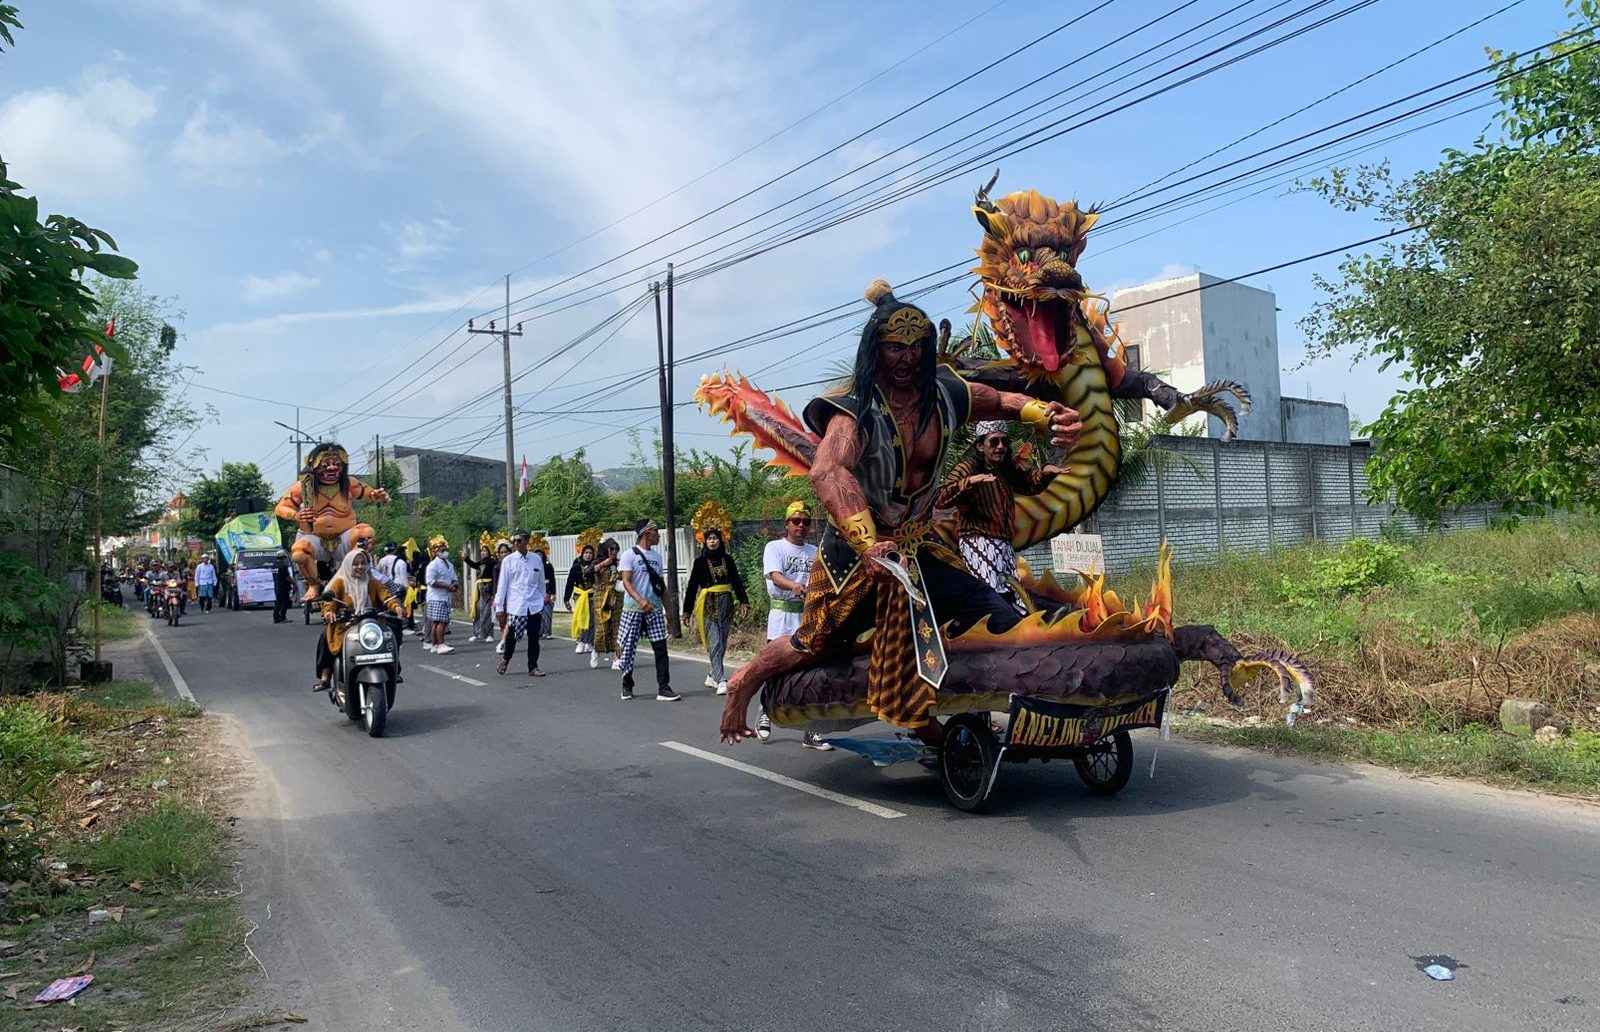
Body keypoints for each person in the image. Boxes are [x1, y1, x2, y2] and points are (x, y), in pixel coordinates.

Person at [720, 279, 1080, 747]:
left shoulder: (944, 395)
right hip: (857, 554)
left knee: (994, 614)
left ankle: (972, 716)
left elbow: (995, 400)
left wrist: (1042, 414)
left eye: (916, 347)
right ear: (876, 351)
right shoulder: (854, 411)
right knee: (813, 642)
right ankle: (743, 682)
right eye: (894, 348)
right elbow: (829, 472)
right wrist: (869, 544)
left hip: (920, 544)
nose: (907, 358)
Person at [937, 421, 1068, 608]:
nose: (1001, 447)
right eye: (994, 442)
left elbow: (1029, 484)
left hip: (1003, 544)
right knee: (991, 597)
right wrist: (969, 482)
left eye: (1004, 442)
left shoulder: (1005, 469)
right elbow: (941, 497)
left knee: (1014, 597)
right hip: (978, 542)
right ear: (980, 446)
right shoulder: (968, 467)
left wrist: (1046, 473)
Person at [273, 442, 390, 601]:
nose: (332, 468)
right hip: (315, 538)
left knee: (366, 533)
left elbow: (370, 494)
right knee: (299, 552)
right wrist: (296, 515)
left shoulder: (349, 484)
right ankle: (314, 584)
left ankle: (354, 577)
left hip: (343, 537)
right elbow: (280, 508)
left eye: (336, 464)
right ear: (314, 466)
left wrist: (379, 496)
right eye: (326, 465)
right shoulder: (302, 487)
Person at [756, 502, 827, 748]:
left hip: (808, 618)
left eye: (805, 522)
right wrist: (794, 586)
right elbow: (775, 576)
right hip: (782, 616)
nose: (801, 526)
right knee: (775, 669)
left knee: (810, 674)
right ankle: (766, 712)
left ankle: (811, 729)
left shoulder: (815, 551)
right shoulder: (774, 547)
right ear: (786, 523)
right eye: (796, 521)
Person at [314, 547, 402, 692]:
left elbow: (386, 596)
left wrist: (395, 605)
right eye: (356, 564)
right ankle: (325, 677)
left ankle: (394, 669)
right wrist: (329, 612)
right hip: (346, 625)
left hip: (372, 625)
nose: (360, 567)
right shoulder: (339, 583)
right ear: (348, 564)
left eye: (363, 563)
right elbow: (330, 603)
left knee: (392, 633)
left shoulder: (373, 582)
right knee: (325, 637)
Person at [616, 519, 679, 702]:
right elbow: (626, 582)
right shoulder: (630, 555)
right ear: (646, 533)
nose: (658, 535)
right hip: (633, 609)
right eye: (655, 532)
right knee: (628, 648)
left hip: (655, 610)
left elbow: (662, 586)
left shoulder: (657, 557)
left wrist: (669, 613)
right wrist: (641, 600)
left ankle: (664, 687)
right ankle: (626, 684)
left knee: (661, 648)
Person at [683, 525, 747, 697]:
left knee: (723, 641)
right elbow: (691, 587)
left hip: (726, 603)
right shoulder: (700, 562)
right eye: (709, 539)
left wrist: (743, 601)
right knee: (715, 641)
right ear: (705, 541)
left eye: (715, 538)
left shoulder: (728, 560)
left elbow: (737, 582)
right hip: (708, 603)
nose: (712, 541)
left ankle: (712, 674)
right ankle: (721, 680)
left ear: (720, 540)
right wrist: (687, 611)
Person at [494, 530, 550, 679]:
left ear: (526, 542)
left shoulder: (536, 559)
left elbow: (541, 582)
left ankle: (533, 666)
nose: (516, 544)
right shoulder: (508, 561)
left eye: (519, 541)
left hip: (534, 605)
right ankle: (506, 660)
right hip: (517, 605)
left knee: (534, 637)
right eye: (514, 541)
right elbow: (503, 585)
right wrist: (499, 607)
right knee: (512, 637)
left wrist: (542, 598)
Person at [462, 538, 507, 643]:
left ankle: (489, 634)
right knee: (477, 611)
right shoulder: (482, 562)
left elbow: (495, 578)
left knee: (487, 612)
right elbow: (474, 565)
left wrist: (493, 593)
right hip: (479, 589)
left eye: (485, 551)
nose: (483, 552)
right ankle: (477, 633)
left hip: (488, 589)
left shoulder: (493, 562)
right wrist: (466, 558)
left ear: (490, 552)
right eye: (482, 551)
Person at [422, 535, 459, 655]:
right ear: (435, 551)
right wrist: (447, 586)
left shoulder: (449, 564)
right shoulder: (433, 565)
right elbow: (431, 581)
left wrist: (454, 585)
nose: (444, 552)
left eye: (445, 549)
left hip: (445, 597)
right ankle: (440, 644)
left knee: (438, 622)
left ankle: (435, 644)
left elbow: (454, 578)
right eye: (441, 550)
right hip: (436, 597)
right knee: (440, 622)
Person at [591, 538, 623, 669]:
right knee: (602, 629)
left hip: (616, 597)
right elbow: (588, 572)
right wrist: (604, 563)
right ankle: (596, 650)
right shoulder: (598, 562)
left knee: (618, 629)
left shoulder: (619, 563)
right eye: (612, 549)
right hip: (601, 596)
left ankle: (617, 658)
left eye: (616, 549)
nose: (614, 552)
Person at [564, 541, 599, 656]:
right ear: (582, 553)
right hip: (579, 596)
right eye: (586, 552)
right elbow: (569, 583)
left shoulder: (596, 566)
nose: (588, 555)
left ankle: (589, 642)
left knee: (592, 620)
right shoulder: (576, 566)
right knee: (581, 618)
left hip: (592, 595)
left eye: (590, 553)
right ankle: (580, 641)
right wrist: (566, 599)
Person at [375, 543, 413, 637]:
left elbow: (377, 575)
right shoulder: (401, 562)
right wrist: (407, 590)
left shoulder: (381, 561)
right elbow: (403, 579)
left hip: (384, 588)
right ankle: (401, 628)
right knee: (398, 608)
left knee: (386, 610)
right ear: (395, 550)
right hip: (398, 588)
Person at [537, 545, 557, 639]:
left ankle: (547, 632)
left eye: (540, 554)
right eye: (536, 554)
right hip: (536, 593)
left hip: (547, 590)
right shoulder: (532, 566)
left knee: (547, 613)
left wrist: (553, 593)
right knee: (538, 614)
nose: (538, 556)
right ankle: (539, 632)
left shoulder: (548, 565)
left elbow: (552, 580)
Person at [272, 550, 293, 623]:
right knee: (285, 602)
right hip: (283, 586)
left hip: (277, 586)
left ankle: (276, 618)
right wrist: (294, 583)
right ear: (283, 557)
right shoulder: (283, 566)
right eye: (285, 558)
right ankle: (283, 617)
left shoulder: (274, 565)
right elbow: (287, 577)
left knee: (278, 603)